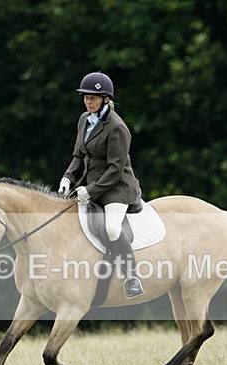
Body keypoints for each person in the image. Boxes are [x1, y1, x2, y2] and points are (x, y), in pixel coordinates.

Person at [58, 71, 145, 298]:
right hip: (90, 184)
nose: (88, 101)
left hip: (117, 188)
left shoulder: (117, 127)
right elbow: (79, 156)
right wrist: (67, 178)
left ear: (106, 99)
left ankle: (132, 277)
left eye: (93, 97)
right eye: (86, 97)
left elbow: (115, 169)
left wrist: (91, 190)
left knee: (112, 228)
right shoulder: (84, 119)